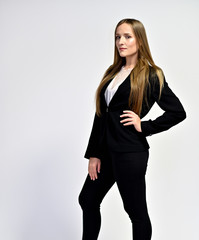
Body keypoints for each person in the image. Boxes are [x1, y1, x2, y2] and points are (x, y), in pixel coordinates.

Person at [78, 18, 186, 240]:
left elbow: (178, 112)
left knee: (136, 213)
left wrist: (144, 126)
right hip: (106, 151)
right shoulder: (112, 72)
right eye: (118, 37)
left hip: (130, 153)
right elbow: (101, 116)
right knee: (88, 199)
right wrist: (94, 154)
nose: (121, 41)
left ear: (140, 39)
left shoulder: (151, 74)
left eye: (127, 36)